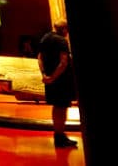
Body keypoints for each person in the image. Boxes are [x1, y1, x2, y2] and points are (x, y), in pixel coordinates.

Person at [38, 19, 78, 148]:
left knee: (56, 107)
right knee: (62, 108)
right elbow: (63, 62)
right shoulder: (61, 41)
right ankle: (60, 137)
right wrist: (54, 77)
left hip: (49, 78)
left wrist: (44, 74)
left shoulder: (45, 38)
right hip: (61, 80)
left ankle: (58, 135)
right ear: (64, 29)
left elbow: (40, 57)